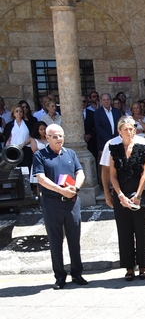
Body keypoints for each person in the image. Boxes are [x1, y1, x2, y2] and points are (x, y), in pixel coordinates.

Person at [31, 124, 88, 290]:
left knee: (74, 239)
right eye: (55, 136)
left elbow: (80, 172)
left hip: (71, 202)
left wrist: (75, 188)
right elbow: (41, 178)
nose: (59, 139)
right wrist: (61, 190)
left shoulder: (70, 153)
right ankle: (60, 275)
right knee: (55, 240)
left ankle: (77, 272)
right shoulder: (40, 155)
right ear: (47, 138)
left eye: (61, 136)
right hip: (52, 203)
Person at [108, 117, 145, 281]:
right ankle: (128, 267)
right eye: (126, 129)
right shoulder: (114, 149)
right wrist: (120, 195)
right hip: (121, 194)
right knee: (124, 231)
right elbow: (112, 175)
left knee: (141, 230)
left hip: (139, 193)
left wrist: (138, 196)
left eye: (132, 128)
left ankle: (142, 265)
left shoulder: (142, 147)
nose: (130, 131)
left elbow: (144, 174)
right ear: (119, 131)